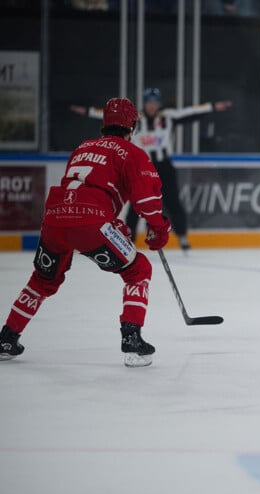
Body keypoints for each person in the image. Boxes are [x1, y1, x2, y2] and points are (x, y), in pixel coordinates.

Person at [0, 98, 171, 367]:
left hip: (55, 218)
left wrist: (114, 224)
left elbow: (83, 189)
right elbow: (147, 199)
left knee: (43, 280)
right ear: (132, 126)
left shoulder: (83, 147)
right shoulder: (131, 152)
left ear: (105, 124)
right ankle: (132, 339)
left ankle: (7, 337)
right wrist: (159, 227)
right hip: (92, 222)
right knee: (138, 270)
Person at [70, 88, 233, 251]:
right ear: (145, 103)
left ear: (159, 104)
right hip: (141, 166)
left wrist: (213, 107)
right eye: (149, 102)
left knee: (173, 201)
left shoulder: (167, 116)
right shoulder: (135, 118)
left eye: (155, 102)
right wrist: (87, 111)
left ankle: (182, 235)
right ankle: (130, 239)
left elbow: (191, 112)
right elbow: (107, 115)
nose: (152, 106)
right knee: (136, 202)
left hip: (164, 165)